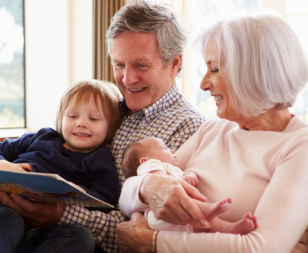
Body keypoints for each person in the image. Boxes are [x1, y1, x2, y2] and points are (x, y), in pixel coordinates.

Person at [0, 1, 206, 252]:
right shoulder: (106, 108)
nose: (127, 79)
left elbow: (143, 233)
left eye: (141, 65)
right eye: (119, 64)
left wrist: (58, 215)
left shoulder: (188, 128)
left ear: (174, 64)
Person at [116, 11, 308, 253]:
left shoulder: (299, 146)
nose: (204, 84)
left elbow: (258, 248)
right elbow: (126, 195)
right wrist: (148, 187)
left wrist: (154, 242)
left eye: (214, 70)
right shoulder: (212, 130)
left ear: (253, 73)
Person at [0, 80, 122, 253]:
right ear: (61, 118)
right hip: (5, 207)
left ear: (111, 126)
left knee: (81, 237)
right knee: (10, 219)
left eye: (93, 118)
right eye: (72, 116)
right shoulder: (43, 137)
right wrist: (4, 164)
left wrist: (78, 192)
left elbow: (104, 201)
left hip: (44, 229)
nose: (81, 123)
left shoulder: (100, 159)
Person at [122, 137, 258, 234]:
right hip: (162, 216)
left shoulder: (173, 169)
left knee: (206, 225)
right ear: (145, 161)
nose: (173, 150)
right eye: (165, 148)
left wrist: (189, 175)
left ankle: (230, 229)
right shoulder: (151, 166)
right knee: (188, 201)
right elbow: (160, 184)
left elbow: (186, 173)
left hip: (179, 227)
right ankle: (207, 209)